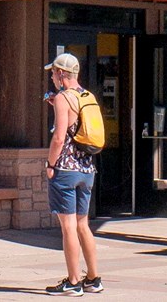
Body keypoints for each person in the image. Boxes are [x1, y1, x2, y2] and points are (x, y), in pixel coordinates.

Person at [43, 53, 103, 296]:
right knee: (82, 225)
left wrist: (50, 163)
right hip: (87, 169)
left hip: (65, 170)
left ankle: (73, 281)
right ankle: (93, 278)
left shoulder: (62, 98)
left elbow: (59, 138)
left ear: (61, 74)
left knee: (67, 227)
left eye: (53, 73)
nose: (51, 77)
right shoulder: (87, 96)